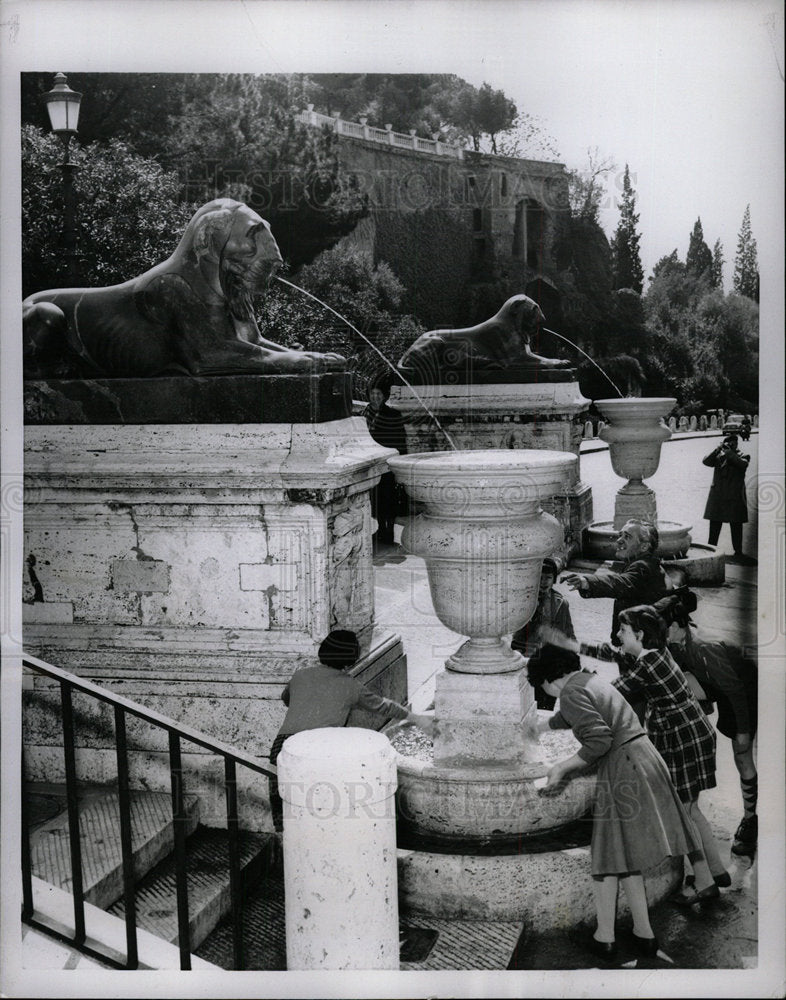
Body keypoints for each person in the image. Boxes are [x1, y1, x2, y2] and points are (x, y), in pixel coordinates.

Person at [529, 643, 703, 964]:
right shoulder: (590, 680)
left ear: (551, 680)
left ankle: (605, 937)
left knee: (608, 856)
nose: (550, 695)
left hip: (623, 768)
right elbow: (583, 715)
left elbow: (599, 739)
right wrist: (541, 726)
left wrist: (561, 767)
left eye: (544, 688)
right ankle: (644, 933)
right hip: (645, 756)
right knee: (623, 855)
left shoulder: (567, 694)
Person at [612, 606, 729, 903]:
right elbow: (617, 655)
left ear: (639, 635)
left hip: (682, 737)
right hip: (693, 730)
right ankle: (716, 870)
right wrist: (575, 646)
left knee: (683, 813)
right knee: (691, 809)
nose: (617, 635)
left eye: (623, 631)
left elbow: (614, 691)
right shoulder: (656, 653)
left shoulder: (647, 665)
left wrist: (578, 685)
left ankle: (704, 883)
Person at [268, 629, 433, 832]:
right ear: (352, 657)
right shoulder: (351, 686)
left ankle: (281, 835)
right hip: (319, 750)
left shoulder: (300, 675)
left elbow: (286, 699)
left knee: (282, 799)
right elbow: (384, 706)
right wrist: (415, 717)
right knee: (319, 803)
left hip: (283, 746)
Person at [654, 590, 758, 860]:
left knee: (742, 755)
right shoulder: (679, 640)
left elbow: (734, 689)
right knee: (673, 684)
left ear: (676, 627)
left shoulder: (703, 646)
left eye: (662, 631)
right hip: (714, 681)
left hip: (743, 688)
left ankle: (750, 820)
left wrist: (744, 731)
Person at [562, 519, 671, 646]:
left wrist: (586, 581)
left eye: (627, 537)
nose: (619, 540)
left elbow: (620, 582)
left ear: (644, 546)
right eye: (620, 535)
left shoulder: (642, 567)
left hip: (637, 647)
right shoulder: (650, 564)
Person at [511, 557, 576, 709]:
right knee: (522, 705)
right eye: (540, 577)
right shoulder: (522, 601)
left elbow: (568, 633)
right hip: (525, 661)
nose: (544, 582)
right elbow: (512, 633)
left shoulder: (560, 603)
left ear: (554, 580)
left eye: (548, 578)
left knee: (545, 705)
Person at [363, 383, 408, 547]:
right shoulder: (364, 413)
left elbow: (400, 439)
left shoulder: (392, 414)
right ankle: (381, 529)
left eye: (379, 394)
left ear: (385, 396)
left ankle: (388, 531)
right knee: (375, 497)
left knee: (388, 497)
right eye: (373, 393)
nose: (375, 397)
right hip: (370, 461)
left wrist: (400, 461)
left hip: (387, 461)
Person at [702, 433, 756, 565]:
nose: (731, 445)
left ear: (737, 444)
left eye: (734, 443)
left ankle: (738, 551)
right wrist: (717, 449)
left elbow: (742, 465)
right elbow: (706, 461)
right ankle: (711, 547)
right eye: (728, 443)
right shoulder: (719, 456)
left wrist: (730, 453)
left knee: (736, 524)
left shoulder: (743, 455)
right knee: (715, 522)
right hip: (718, 495)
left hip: (734, 495)